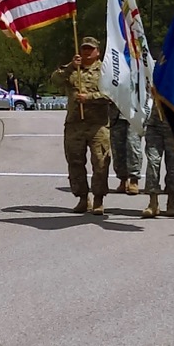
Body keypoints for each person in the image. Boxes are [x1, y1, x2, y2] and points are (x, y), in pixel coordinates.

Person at [51, 36, 112, 214]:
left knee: (101, 162)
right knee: (75, 162)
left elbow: (111, 95)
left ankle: (99, 199)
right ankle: (83, 198)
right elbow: (55, 80)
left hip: (97, 125)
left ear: (97, 52)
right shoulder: (72, 69)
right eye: (84, 48)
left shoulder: (105, 70)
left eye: (90, 49)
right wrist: (70, 66)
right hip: (74, 124)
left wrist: (90, 98)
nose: (86, 51)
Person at [141, 94, 174, 218]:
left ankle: (171, 201)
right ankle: (153, 201)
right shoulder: (151, 75)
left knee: (173, 165)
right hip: (154, 122)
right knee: (153, 162)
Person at [110, 105, 143, 196]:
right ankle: (122, 179)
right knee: (118, 148)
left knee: (133, 145)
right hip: (116, 113)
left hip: (135, 113)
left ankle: (134, 179)